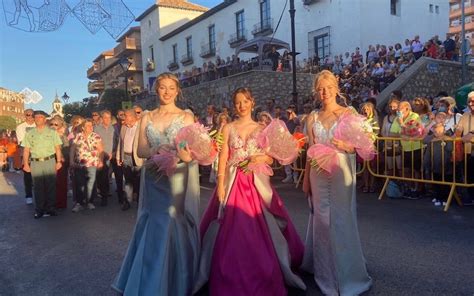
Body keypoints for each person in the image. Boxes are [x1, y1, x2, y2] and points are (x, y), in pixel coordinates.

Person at [198, 87, 305, 295]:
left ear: (252, 102)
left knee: (258, 224)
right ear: (233, 105)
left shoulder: (262, 128)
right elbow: (223, 157)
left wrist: (260, 158)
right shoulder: (228, 128)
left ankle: (263, 270)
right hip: (233, 181)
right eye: (238, 102)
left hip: (255, 181)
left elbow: (270, 157)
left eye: (245, 101)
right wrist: (220, 183)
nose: (241, 106)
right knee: (231, 228)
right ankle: (228, 274)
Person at [112, 73, 199, 295]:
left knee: (171, 218)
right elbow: (140, 150)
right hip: (152, 175)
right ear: (156, 90)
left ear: (177, 91)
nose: (167, 92)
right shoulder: (146, 117)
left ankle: (173, 278)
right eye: (162, 87)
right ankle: (150, 277)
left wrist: (182, 154)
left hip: (176, 175)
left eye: (171, 88)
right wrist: (155, 150)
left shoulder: (186, 117)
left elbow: (190, 153)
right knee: (153, 220)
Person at [302, 70, 372, 295]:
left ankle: (346, 271)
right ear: (316, 91)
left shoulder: (348, 113)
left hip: (341, 172)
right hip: (317, 172)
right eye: (321, 88)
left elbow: (360, 146)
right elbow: (309, 151)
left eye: (329, 87)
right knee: (322, 220)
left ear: (336, 88)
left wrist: (347, 147)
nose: (325, 92)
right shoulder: (312, 117)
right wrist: (306, 180)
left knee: (341, 219)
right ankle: (325, 270)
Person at [22, 110, 63, 219]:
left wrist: (58, 161)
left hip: (50, 161)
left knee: (51, 185)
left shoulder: (52, 132)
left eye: (40, 117)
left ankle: (51, 208)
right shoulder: (29, 133)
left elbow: (57, 148)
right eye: (36, 117)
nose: (38, 119)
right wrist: (26, 164)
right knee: (37, 187)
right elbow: (26, 150)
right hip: (35, 162)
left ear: (45, 119)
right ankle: (39, 209)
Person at [70, 119, 103, 213]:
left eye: (91, 125)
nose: (90, 127)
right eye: (88, 125)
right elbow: (72, 149)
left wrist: (100, 161)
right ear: (83, 127)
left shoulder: (96, 136)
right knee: (80, 184)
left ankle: (89, 202)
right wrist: (71, 161)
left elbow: (101, 150)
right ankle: (79, 203)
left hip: (92, 163)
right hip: (79, 164)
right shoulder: (78, 136)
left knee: (90, 184)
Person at [116, 109, 143, 211]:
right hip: (126, 156)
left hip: (137, 157)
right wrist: (119, 156)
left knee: (139, 181)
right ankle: (127, 201)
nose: (123, 118)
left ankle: (140, 203)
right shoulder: (123, 127)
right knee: (127, 181)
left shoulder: (141, 127)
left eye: (125, 116)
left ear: (131, 117)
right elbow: (120, 143)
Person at [94, 110, 116, 206]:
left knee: (113, 176)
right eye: (105, 117)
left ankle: (116, 195)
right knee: (102, 176)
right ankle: (104, 196)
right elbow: (94, 142)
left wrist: (114, 152)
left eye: (109, 117)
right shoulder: (97, 129)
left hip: (113, 155)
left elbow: (118, 141)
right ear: (102, 118)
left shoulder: (114, 128)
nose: (107, 119)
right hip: (101, 155)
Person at [456, 91, 474, 205]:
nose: (471, 103)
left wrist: (472, 133)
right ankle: (471, 197)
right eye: (470, 101)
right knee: (469, 175)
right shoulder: (465, 115)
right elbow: (459, 130)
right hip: (467, 151)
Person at [16, 109, 36, 204]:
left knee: (38, 175)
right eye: (28, 114)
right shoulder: (20, 127)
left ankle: (39, 194)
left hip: (39, 152)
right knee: (27, 175)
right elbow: (21, 142)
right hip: (26, 152)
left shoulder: (38, 125)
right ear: (25, 115)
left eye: (33, 114)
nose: (30, 116)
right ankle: (28, 195)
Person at [49, 116, 69, 209]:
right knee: (51, 183)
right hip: (49, 160)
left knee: (60, 182)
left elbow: (66, 150)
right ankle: (52, 202)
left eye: (56, 124)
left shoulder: (63, 136)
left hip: (61, 161)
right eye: (51, 124)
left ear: (61, 126)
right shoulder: (47, 135)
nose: (53, 126)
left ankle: (60, 203)